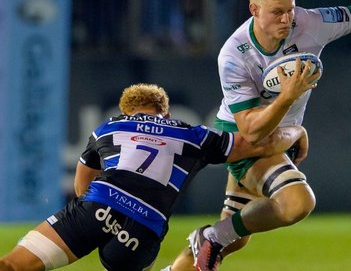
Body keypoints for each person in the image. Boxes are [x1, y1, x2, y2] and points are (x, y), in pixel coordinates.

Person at [168, 0, 351, 271]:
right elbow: (251, 129)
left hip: (276, 133)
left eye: (290, 10)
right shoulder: (234, 54)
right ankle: (212, 235)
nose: (286, 19)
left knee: (235, 238)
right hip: (243, 139)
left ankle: (186, 259)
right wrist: (288, 98)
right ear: (254, 9)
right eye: (276, 13)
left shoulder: (310, 21)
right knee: (298, 202)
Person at [0, 83, 309, 271]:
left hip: (99, 207)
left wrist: (92, 223)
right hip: (144, 230)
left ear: (126, 111)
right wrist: (297, 131)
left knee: (13, 265)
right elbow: (258, 142)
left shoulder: (108, 127)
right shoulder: (192, 134)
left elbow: (83, 183)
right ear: (166, 112)